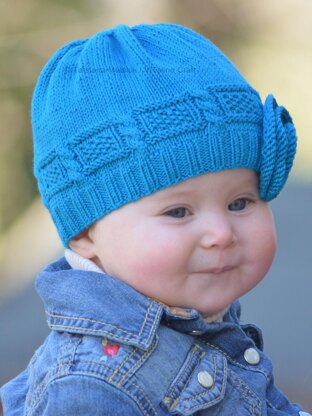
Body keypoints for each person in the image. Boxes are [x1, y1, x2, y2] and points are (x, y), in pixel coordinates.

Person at [0, 23, 310, 416]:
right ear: (84, 234)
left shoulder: (191, 318)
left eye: (240, 202)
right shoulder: (90, 384)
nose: (220, 233)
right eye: (178, 211)